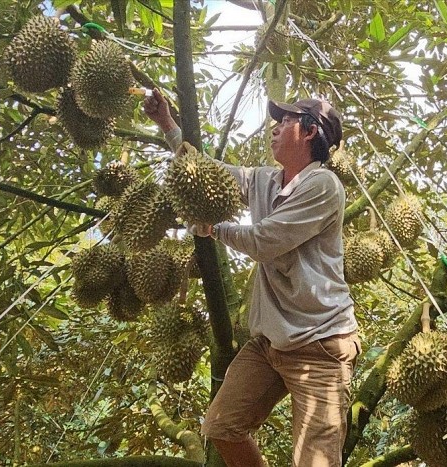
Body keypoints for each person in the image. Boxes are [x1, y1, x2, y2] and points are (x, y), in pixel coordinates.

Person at [144, 89, 359, 467]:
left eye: (285, 122)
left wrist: (211, 227)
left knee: (316, 462)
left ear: (309, 132)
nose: (274, 129)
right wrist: (167, 124)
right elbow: (203, 172)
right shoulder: (263, 180)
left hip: (320, 346)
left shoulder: (323, 186)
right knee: (222, 426)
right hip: (269, 344)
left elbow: (265, 240)